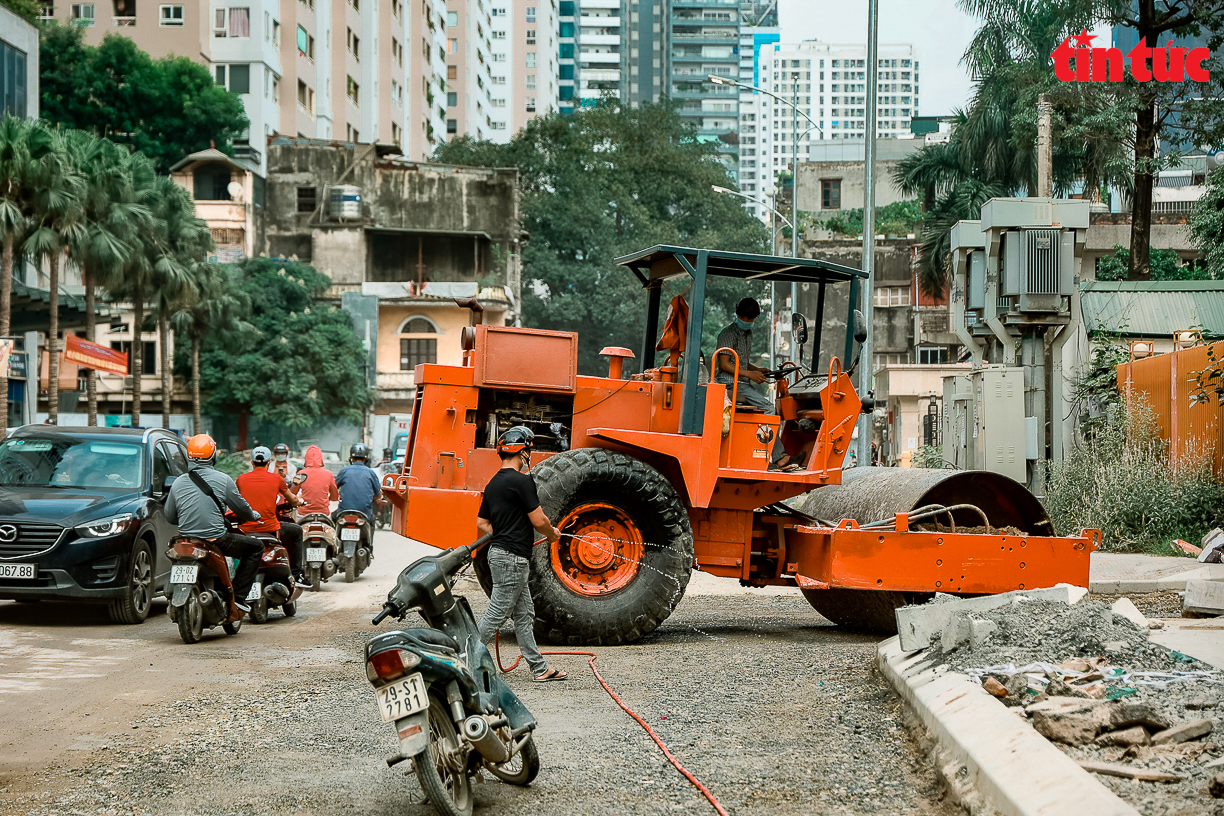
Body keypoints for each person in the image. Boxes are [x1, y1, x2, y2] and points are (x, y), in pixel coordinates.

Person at [475, 426, 567, 683]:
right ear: (523, 452)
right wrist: (551, 534)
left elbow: (482, 524)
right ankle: (464, 659)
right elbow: (538, 520)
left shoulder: (493, 484)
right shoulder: (522, 481)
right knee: (497, 612)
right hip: (512, 559)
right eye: (528, 449)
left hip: (499, 554)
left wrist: (503, 532)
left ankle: (539, 669)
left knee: (524, 613)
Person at [165, 434, 263, 615]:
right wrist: (255, 515)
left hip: (185, 540)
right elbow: (242, 509)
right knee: (256, 548)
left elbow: (170, 517)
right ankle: (240, 597)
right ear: (213, 456)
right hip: (216, 539)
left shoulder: (178, 482)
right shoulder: (224, 480)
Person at [713, 298, 794, 470]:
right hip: (730, 384)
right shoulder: (728, 334)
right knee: (769, 409)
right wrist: (749, 374)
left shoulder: (748, 334)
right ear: (738, 315)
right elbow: (725, 364)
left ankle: (768, 453)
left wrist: (757, 369)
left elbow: (741, 362)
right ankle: (778, 457)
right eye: (747, 319)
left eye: (752, 319)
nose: (749, 323)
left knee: (766, 410)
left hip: (742, 382)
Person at [237, 446, 309, 587]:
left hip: (245, 529)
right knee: (297, 531)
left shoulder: (241, 479)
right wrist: (299, 501)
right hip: (270, 528)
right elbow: (292, 500)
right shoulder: (276, 479)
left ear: (252, 462)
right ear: (269, 462)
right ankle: (296, 573)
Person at [335, 443, 384, 555]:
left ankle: (334, 546)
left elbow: (334, 488)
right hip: (364, 512)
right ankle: (369, 548)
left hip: (343, 511)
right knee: (372, 521)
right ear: (366, 458)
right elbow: (378, 494)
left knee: (333, 519)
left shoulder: (344, 471)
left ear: (351, 458)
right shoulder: (371, 473)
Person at [290, 445, 338, 517]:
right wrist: (326, 498)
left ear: (306, 459)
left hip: (304, 514)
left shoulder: (300, 474)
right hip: (323, 514)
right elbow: (335, 497)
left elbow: (292, 494)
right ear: (321, 459)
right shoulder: (329, 474)